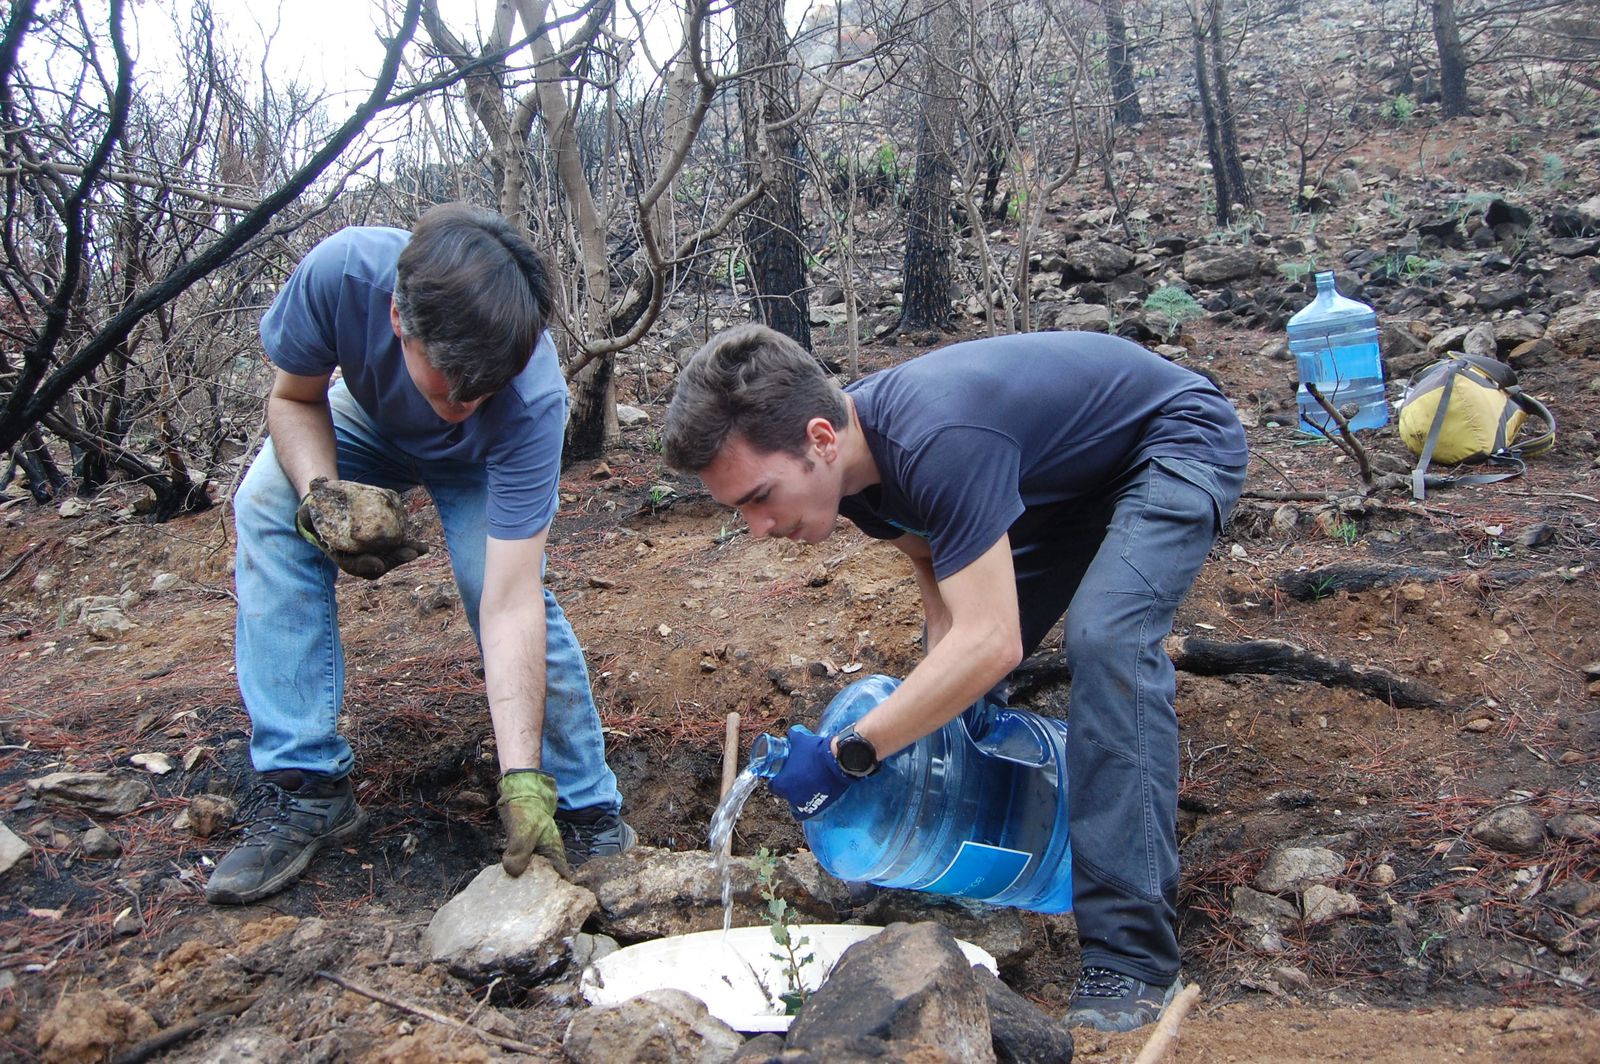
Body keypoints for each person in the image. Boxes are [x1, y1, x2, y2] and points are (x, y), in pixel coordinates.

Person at [662, 324, 1247, 1032]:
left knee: (1108, 637)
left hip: (1171, 438)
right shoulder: (855, 473)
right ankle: (995, 861)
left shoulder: (935, 439)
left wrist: (857, 750)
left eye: (759, 496)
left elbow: (993, 639)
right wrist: (946, 710)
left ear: (820, 439)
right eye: (739, 512)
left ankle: (1132, 955)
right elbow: (932, 561)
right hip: (1061, 485)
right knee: (953, 690)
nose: (756, 528)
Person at [208, 203, 633, 905]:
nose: (464, 400)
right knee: (264, 505)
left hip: (481, 466)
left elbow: (511, 600)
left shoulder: (527, 400)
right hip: (367, 421)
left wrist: (519, 779)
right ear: (399, 319)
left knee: (484, 577)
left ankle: (583, 807)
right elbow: (292, 398)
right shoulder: (342, 275)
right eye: (449, 384)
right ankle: (306, 784)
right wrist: (325, 499)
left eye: (482, 389)